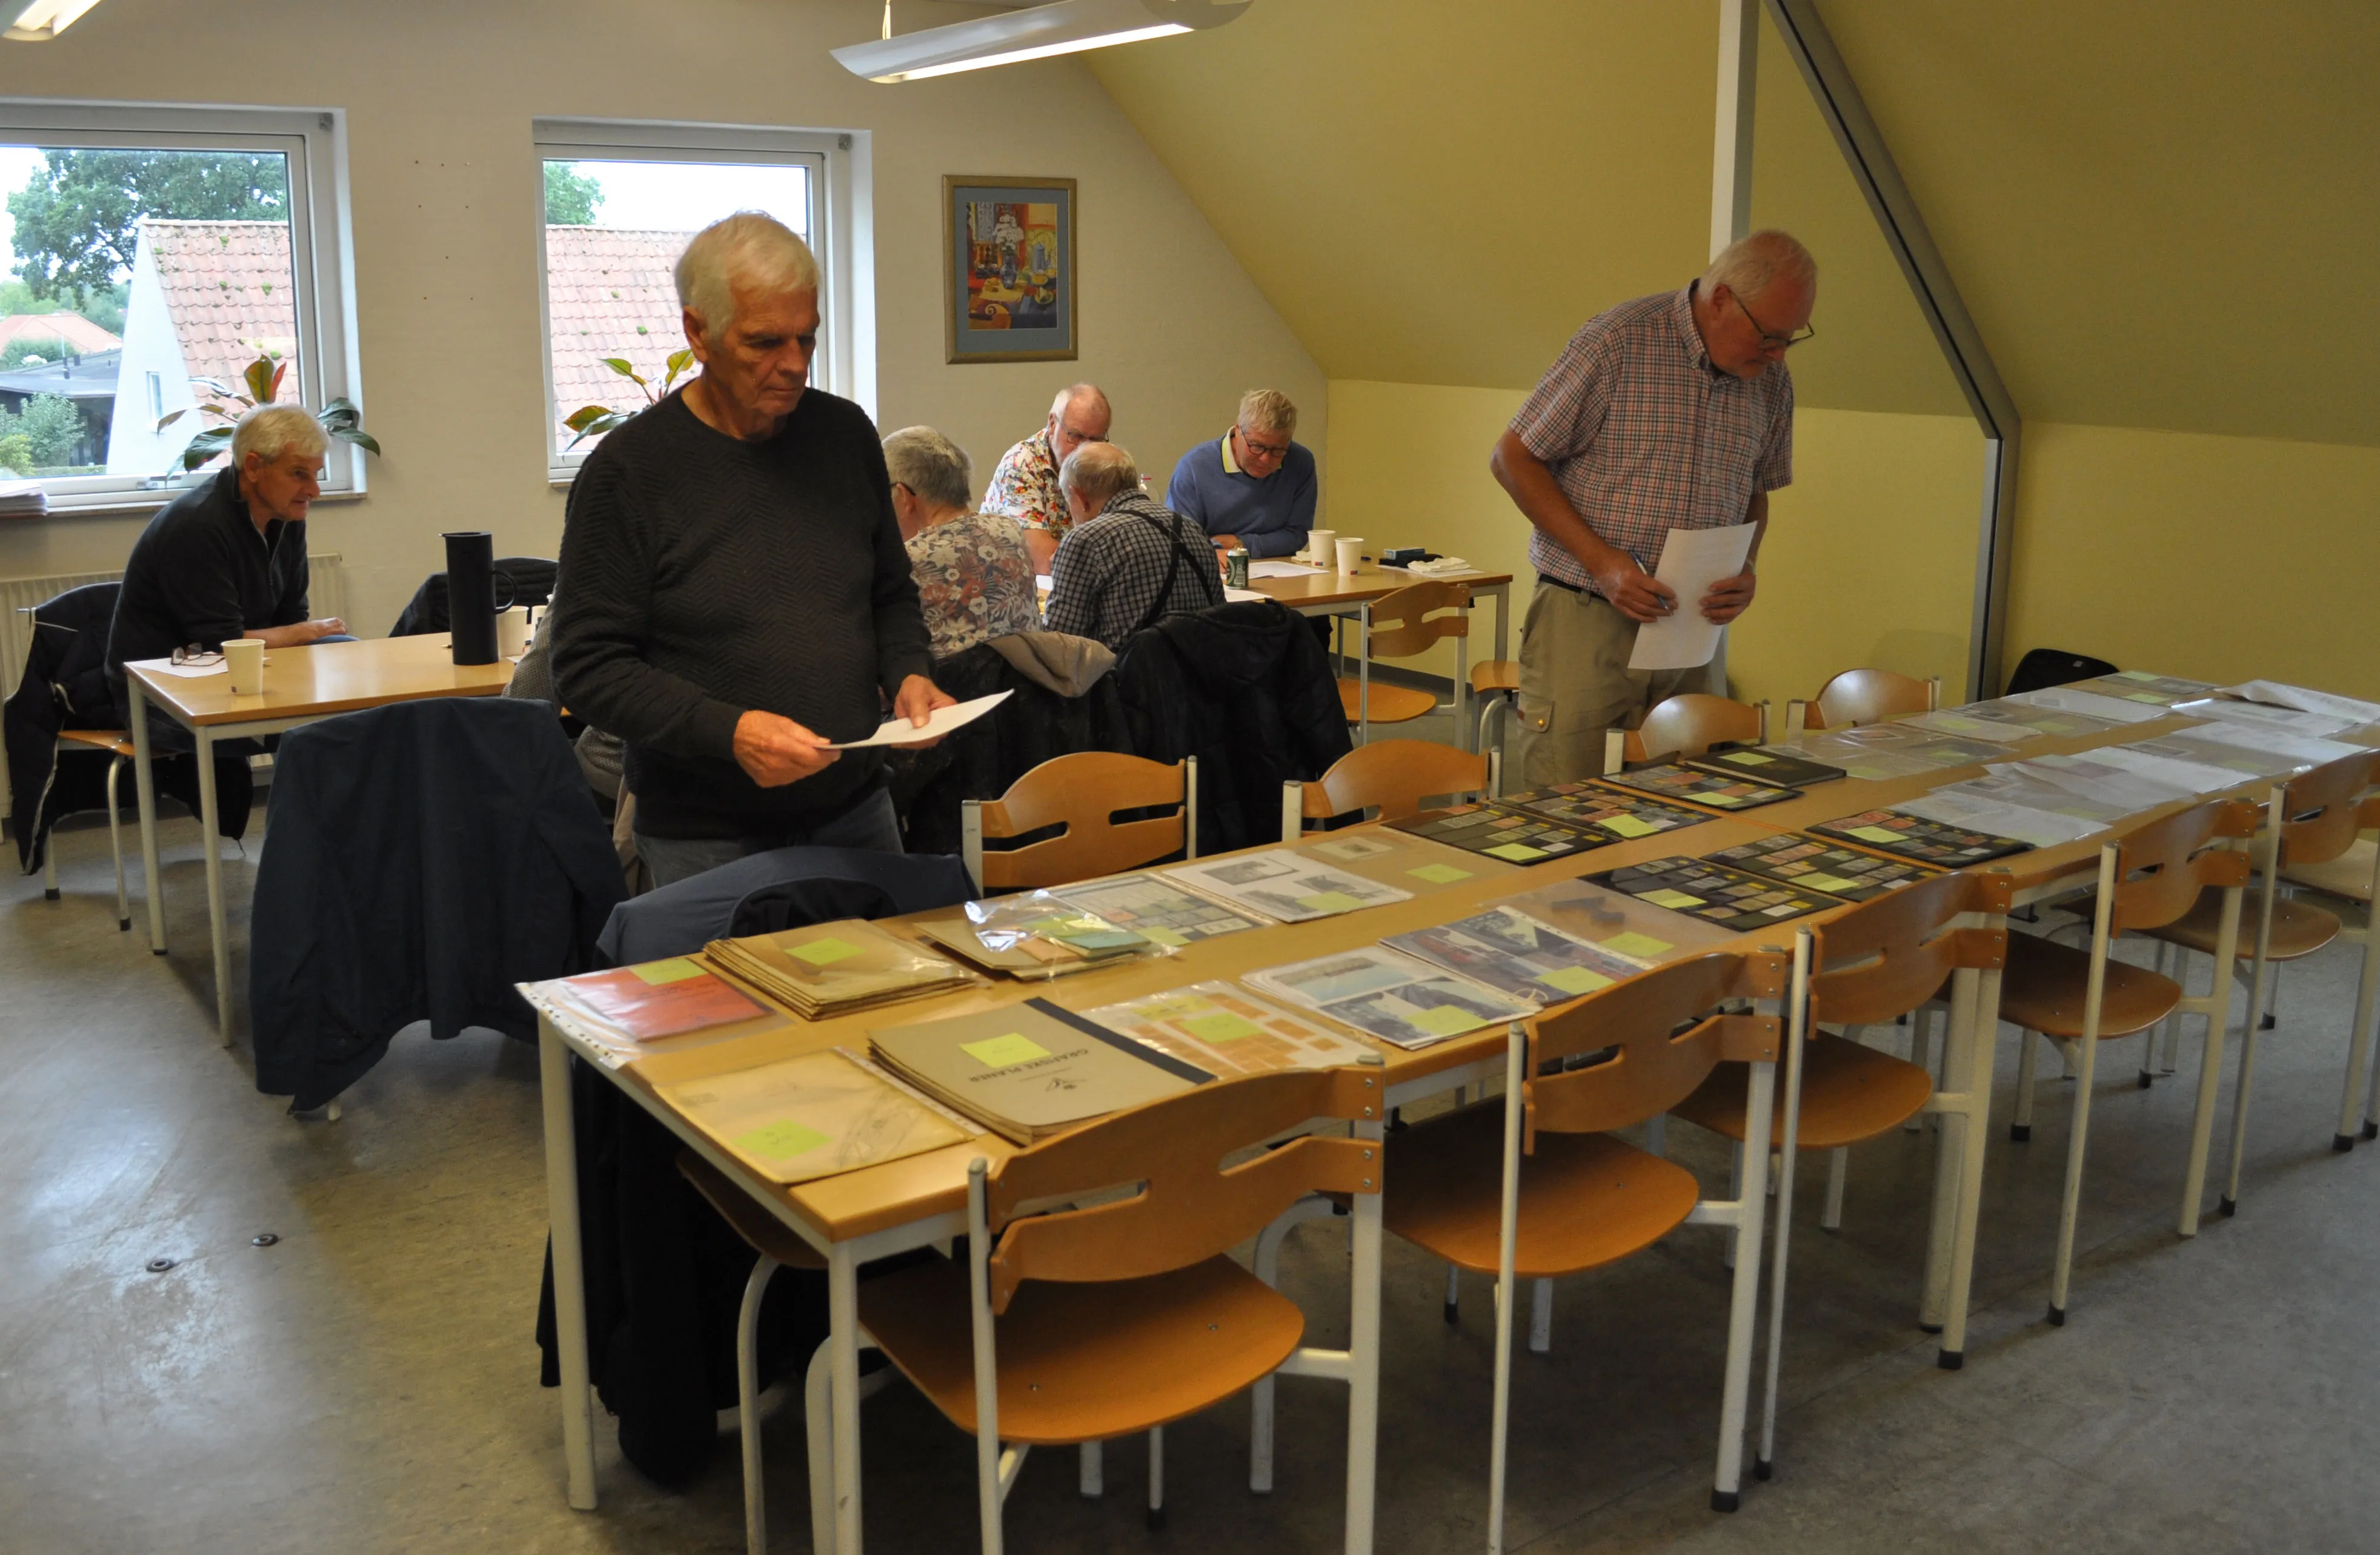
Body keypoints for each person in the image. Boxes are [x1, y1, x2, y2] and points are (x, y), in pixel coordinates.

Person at [550, 212, 955, 887]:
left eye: (807, 337)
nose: (794, 364)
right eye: (765, 342)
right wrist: (728, 732)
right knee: (727, 997)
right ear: (696, 332)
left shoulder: (845, 434)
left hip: (855, 806)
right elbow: (588, 667)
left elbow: (888, 593)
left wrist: (910, 670)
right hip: (707, 834)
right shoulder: (630, 471)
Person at [1490, 229, 1814, 786]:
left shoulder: (1771, 381)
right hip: (1587, 614)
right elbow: (1513, 459)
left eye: (1791, 338)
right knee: (1570, 803)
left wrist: (1748, 565)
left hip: (1692, 625)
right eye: (1769, 336)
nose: (1779, 353)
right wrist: (1604, 563)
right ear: (1721, 301)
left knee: (1685, 805)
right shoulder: (1618, 342)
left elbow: (1756, 489)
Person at [105, 404, 348, 747]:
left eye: (315, 474)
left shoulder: (286, 517)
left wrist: (303, 633)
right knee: (305, 722)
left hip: (238, 670)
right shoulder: (196, 526)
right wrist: (304, 632)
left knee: (343, 661)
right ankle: (305, 794)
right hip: (162, 691)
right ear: (253, 467)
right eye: (298, 474)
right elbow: (221, 642)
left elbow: (292, 613)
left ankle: (315, 796)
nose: (314, 491)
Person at [1042, 442, 1223, 651]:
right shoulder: (1192, 529)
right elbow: (1219, 615)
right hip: (1200, 676)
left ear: (1080, 497)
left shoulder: (1086, 540)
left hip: (1126, 679)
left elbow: (1059, 646)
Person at [885, 425, 1039, 658]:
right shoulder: (1011, 531)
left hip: (951, 692)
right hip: (1028, 686)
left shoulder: (909, 560)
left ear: (904, 497)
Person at [1166, 388, 1318, 560]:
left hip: (1280, 572)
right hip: (1213, 568)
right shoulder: (1193, 468)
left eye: (1278, 450)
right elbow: (1181, 540)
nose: (1266, 459)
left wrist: (1239, 543)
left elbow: (1297, 535)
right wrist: (1213, 552)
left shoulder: (1301, 462)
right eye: (1257, 446)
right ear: (1238, 430)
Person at [981, 382, 1111, 572]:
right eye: (1076, 436)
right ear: (1052, 424)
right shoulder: (1020, 464)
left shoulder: (1102, 463)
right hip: (1011, 588)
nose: (1085, 449)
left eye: (1095, 440)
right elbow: (1043, 561)